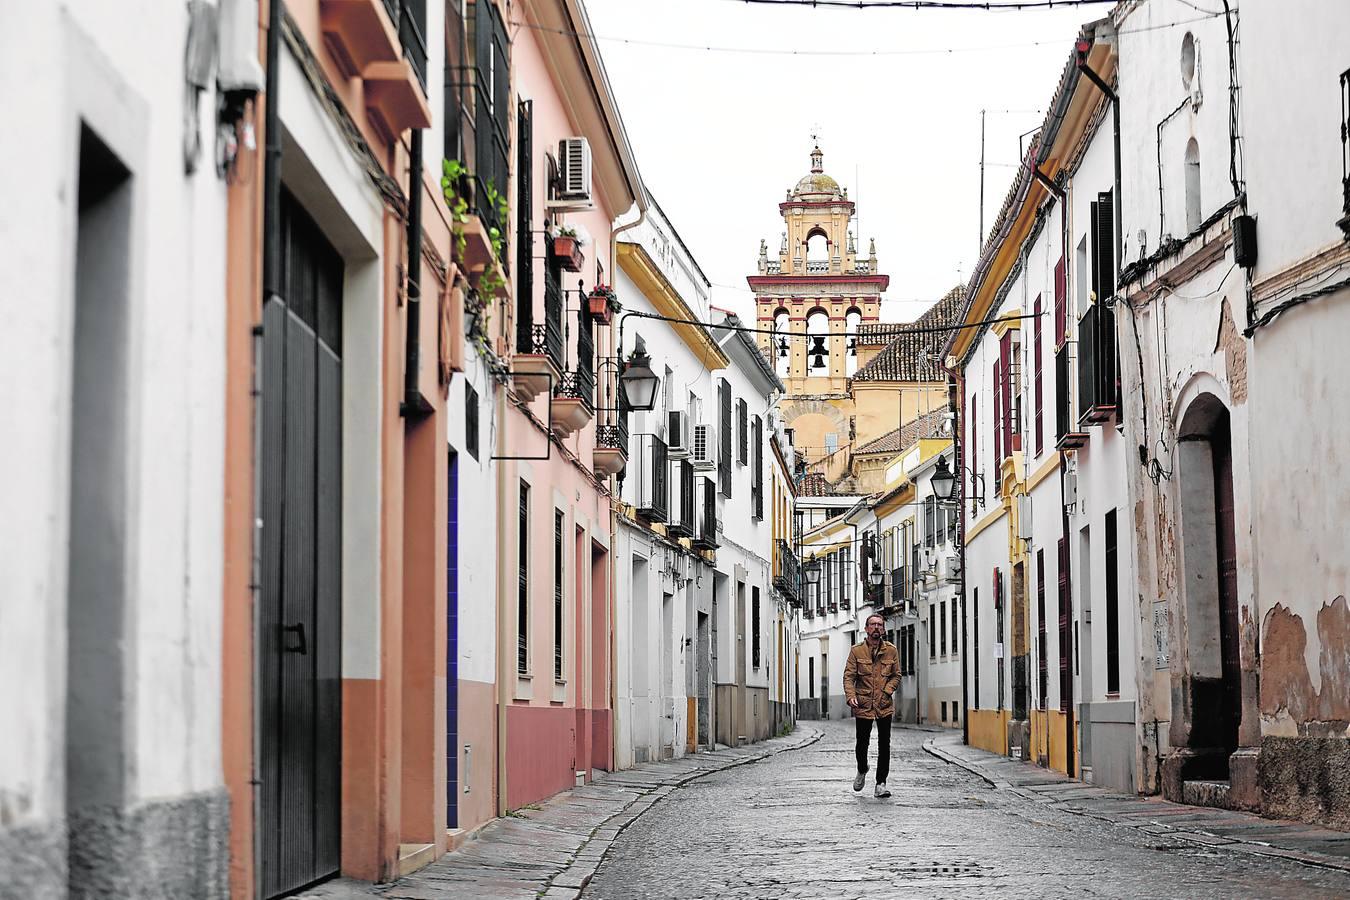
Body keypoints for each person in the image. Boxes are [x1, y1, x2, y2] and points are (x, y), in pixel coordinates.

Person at [844, 613, 900, 798]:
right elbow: (849, 676)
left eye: (880, 624)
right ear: (866, 629)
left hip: (884, 704)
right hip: (863, 703)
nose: (876, 627)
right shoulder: (856, 651)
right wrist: (851, 696)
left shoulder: (891, 650)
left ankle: (881, 784)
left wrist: (887, 691)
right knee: (862, 743)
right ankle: (862, 768)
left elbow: (896, 675)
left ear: (883, 629)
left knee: (885, 744)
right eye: (873, 624)